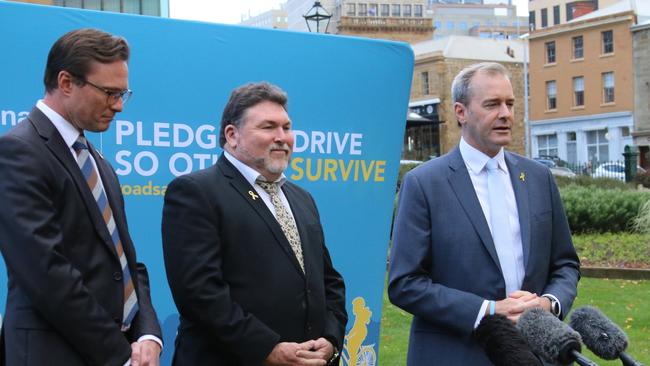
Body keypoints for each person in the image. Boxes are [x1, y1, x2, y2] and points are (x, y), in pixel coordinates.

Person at [387, 62, 580, 365]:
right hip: (455, 354)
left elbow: (565, 264)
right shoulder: (424, 184)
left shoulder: (539, 178)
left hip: (535, 352)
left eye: (510, 104)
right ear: (460, 112)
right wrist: (489, 311)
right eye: (492, 104)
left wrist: (548, 304)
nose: (505, 114)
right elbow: (405, 283)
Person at [0, 28, 162, 366]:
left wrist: (147, 333)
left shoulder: (97, 161)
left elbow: (126, 261)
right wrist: (120, 354)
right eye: (109, 93)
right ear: (66, 82)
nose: (118, 106)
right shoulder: (19, 151)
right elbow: (46, 273)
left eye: (123, 94)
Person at [161, 82, 347, 365]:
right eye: (268, 127)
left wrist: (331, 339)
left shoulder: (302, 198)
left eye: (287, 127)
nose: (282, 137)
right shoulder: (196, 192)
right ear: (232, 135)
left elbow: (326, 280)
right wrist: (266, 349)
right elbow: (199, 294)